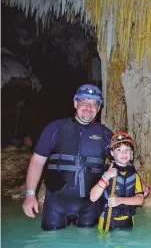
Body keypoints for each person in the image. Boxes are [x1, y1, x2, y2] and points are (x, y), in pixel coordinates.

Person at [22, 84, 113, 230]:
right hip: (56, 202)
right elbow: (37, 161)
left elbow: (121, 161)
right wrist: (30, 194)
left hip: (90, 204)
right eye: (84, 102)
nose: (89, 107)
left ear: (99, 108)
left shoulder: (105, 134)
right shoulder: (55, 128)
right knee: (51, 243)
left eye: (94, 103)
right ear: (75, 103)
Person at [90, 131, 144, 232]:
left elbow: (140, 200)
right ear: (112, 153)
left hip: (128, 221)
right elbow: (93, 198)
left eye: (127, 150)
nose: (124, 153)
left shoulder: (134, 174)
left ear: (131, 153)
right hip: (107, 221)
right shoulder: (105, 172)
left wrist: (120, 200)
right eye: (119, 150)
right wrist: (106, 177)